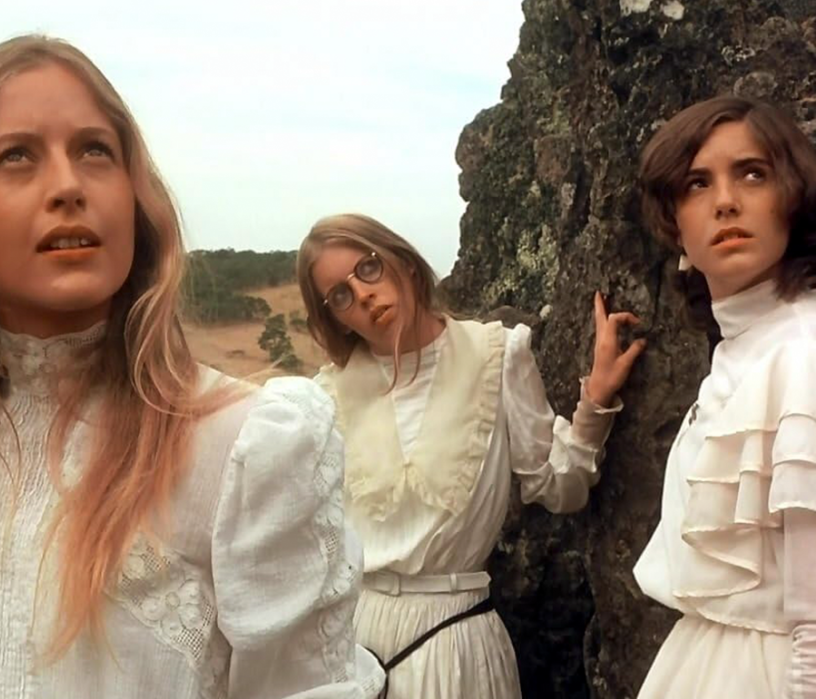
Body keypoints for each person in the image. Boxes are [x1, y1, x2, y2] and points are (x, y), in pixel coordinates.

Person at [0, 35, 385, 699]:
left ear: (134, 196)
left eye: (95, 150)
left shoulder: (246, 446)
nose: (67, 185)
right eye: (17, 156)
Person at [296, 213, 645, 698]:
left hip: (455, 638)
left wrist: (596, 403)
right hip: (352, 645)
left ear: (402, 261)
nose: (362, 294)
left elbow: (558, 486)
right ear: (336, 317)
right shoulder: (324, 397)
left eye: (368, 268)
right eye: (339, 295)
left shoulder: (497, 355)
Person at [633, 95, 816, 698]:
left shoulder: (803, 351)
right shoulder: (741, 350)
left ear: (793, 196)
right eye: (696, 184)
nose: (726, 201)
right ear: (675, 225)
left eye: (753, 174)